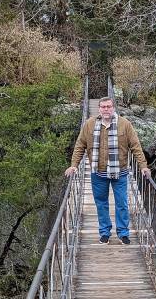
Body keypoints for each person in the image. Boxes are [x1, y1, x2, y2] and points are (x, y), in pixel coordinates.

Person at [65, 95, 151, 244]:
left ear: (113, 108)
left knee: (122, 203)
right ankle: (105, 232)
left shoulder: (125, 124)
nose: (106, 109)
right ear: (99, 109)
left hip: (120, 172)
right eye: (103, 107)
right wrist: (74, 165)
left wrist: (143, 166)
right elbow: (80, 145)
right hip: (98, 173)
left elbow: (136, 147)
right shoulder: (89, 124)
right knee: (101, 204)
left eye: (109, 106)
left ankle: (123, 233)